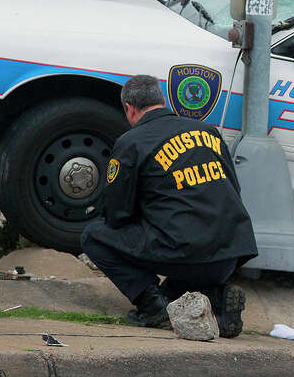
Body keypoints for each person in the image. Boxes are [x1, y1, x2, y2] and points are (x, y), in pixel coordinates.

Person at [80, 75, 257, 336]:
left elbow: (117, 214)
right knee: (175, 284)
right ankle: (216, 300)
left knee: (93, 236)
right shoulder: (208, 132)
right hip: (229, 251)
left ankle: (152, 307)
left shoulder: (132, 142)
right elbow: (234, 190)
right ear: (163, 100)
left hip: (183, 252)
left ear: (129, 108)